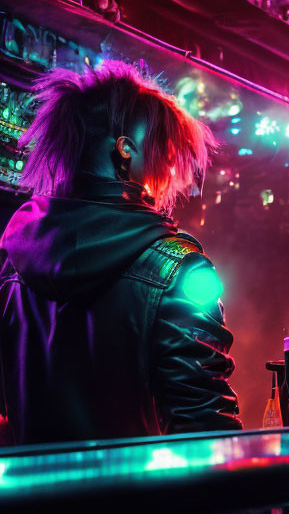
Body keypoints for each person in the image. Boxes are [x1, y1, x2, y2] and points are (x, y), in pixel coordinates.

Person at [0, 61, 241, 445]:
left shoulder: (13, 265)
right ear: (125, 150)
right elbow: (205, 431)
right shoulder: (180, 270)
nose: (170, 167)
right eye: (164, 148)